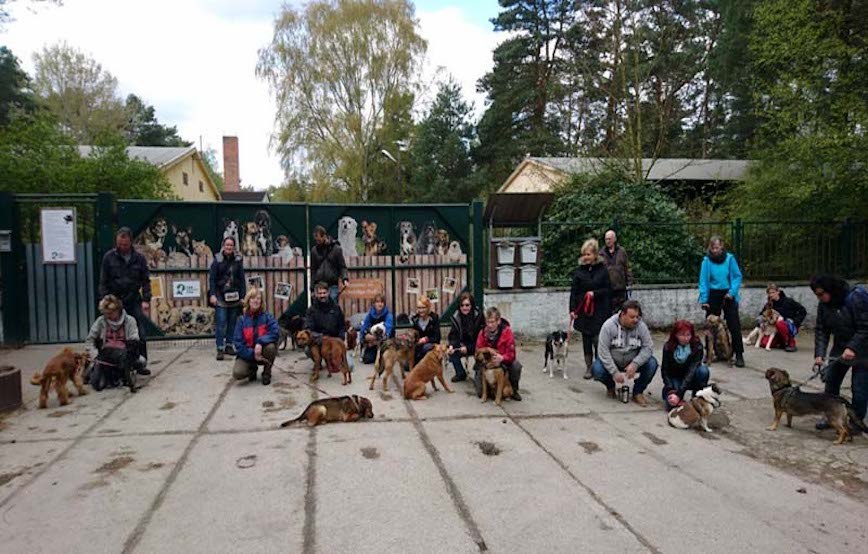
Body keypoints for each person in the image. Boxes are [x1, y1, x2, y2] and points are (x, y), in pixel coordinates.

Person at [811, 275, 868, 431]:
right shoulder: (824, 305)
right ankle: (831, 416)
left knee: (859, 387)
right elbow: (822, 330)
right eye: (817, 295)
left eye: (822, 294)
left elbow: (865, 327)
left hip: (864, 349)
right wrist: (819, 354)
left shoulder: (856, 298)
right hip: (840, 346)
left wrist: (853, 348)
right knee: (831, 382)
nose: (820, 298)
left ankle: (856, 422)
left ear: (831, 289)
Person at [99, 227, 151, 374]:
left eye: (125, 244)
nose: (122, 247)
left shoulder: (139, 259)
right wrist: (104, 299)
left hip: (133, 299)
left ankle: (140, 363)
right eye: (119, 244)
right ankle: (115, 364)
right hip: (115, 302)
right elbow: (103, 281)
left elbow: (146, 280)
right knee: (114, 332)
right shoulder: (109, 257)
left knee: (138, 332)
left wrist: (146, 299)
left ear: (130, 242)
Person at [591, 300, 658, 406]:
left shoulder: (641, 326)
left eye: (637, 317)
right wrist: (614, 372)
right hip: (614, 361)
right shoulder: (608, 326)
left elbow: (648, 347)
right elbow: (603, 351)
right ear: (623, 314)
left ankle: (638, 392)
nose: (636, 320)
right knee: (596, 369)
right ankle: (610, 386)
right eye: (632, 317)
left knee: (652, 364)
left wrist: (635, 363)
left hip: (632, 360)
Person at [698, 236, 745, 367]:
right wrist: (704, 299)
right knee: (709, 326)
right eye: (713, 248)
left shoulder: (730, 259)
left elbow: (737, 276)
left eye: (717, 248)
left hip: (728, 294)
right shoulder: (706, 261)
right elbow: (703, 281)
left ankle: (739, 354)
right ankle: (709, 354)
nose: (715, 250)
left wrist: (732, 292)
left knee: (733, 324)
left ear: (722, 247)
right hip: (713, 294)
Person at [569, 238, 612, 379]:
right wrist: (572, 309)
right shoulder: (578, 271)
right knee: (586, 339)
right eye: (584, 254)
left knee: (598, 340)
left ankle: (600, 367)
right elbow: (574, 291)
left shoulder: (603, 270)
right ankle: (588, 368)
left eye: (588, 254)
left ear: (595, 255)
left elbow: (608, 289)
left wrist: (595, 294)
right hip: (583, 311)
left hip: (600, 311)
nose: (585, 257)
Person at [85, 294, 145, 391]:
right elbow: (89, 340)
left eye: (110, 313)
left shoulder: (130, 321)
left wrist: (130, 352)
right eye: (105, 313)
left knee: (141, 362)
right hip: (105, 355)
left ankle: (123, 375)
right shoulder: (100, 321)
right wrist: (94, 354)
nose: (108, 316)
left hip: (123, 353)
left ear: (118, 310)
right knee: (96, 382)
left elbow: (134, 339)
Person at [209, 237, 246, 361]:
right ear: (223, 246)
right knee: (221, 323)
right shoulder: (217, 260)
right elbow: (212, 279)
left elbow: (242, 280)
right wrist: (212, 295)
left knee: (232, 323)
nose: (229, 247)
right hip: (220, 295)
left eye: (231, 245)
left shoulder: (238, 260)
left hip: (234, 296)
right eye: (227, 245)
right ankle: (220, 347)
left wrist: (242, 296)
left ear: (234, 247)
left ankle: (229, 345)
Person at [232, 288, 279, 386]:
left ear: (261, 302)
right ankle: (252, 369)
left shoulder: (267, 317)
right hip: (248, 354)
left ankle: (267, 373)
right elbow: (238, 344)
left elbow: (275, 332)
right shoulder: (241, 320)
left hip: (263, 352)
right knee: (238, 373)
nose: (256, 301)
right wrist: (253, 354)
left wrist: (260, 342)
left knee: (271, 347)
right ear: (248, 300)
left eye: (258, 298)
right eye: (253, 298)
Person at [304, 281, 354, 372]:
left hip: (334, 342)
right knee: (307, 349)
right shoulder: (311, 310)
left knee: (349, 367)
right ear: (316, 294)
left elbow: (342, 326)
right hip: (319, 342)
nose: (322, 295)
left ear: (328, 293)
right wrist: (321, 338)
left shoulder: (336, 308)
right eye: (320, 293)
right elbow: (308, 329)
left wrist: (341, 341)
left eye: (324, 293)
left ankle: (332, 360)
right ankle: (318, 362)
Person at [474, 307, 522, 401]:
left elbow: (512, 354)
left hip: (503, 362)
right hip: (486, 363)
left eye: (492, 322)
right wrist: (487, 350)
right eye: (488, 322)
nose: (490, 325)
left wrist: (502, 358)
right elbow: (477, 350)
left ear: (498, 321)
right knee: (480, 393)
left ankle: (514, 389)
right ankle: (490, 388)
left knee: (516, 366)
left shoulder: (507, 332)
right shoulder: (482, 333)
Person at [661, 320, 709, 409]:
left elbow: (692, 370)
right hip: (675, 377)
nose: (686, 338)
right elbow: (665, 371)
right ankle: (670, 394)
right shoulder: (668, 347)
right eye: (682, 335)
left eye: (688, 335)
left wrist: (680, 393)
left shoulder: (697, 346)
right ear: (676, 335)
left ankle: (698, 396)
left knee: (703, 371)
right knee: (672, 404)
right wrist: (671, 389)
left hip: (691, 377)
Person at [447, 291, 485, 382]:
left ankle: (479, 372)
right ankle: (460, 373)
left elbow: (482, 336)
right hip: (462, 344)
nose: (464, 308)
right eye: (462, 305)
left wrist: (468, 348)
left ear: (472, 305)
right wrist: (452, 345)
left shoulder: (478, 316)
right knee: (451, 352)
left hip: (477, 344)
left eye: (467, 305)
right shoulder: (456, 317)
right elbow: (453, 335)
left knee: (481, 353)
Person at [762, 283, 807, 352]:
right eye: (769, 293)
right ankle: (781, 341)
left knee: (780, 324)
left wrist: (795, 321)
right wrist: (761, 321)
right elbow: (762, 315)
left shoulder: (788, 301)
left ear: (778, 292)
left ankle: (790, 343)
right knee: (764, 343)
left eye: (773, 292)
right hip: (773, 329)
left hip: (789, 326)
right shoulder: (769, 304)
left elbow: (803, 311)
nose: (771, 295)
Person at [310, 225, 349, 303]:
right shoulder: (314, 250)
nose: (317, 242)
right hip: (319, 284)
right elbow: (313, 270)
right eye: (316, 240)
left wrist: (345, 278)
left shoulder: (336, 249)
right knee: (318, 308)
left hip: (332, 284)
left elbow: (342, 266)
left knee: (332, 307)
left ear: (324, 236)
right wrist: (312, 287)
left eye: (319, 240)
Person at [602, 230, 633, 313]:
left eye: (609, 239)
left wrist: (629, 283)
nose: (608, 241)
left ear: (614, 239)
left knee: (621, 311)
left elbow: (627, 268)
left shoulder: (622, 252)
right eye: (606, 239)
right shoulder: (601, 254)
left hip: (620, 288)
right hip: (607, 288)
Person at [359, 293, 394, 364]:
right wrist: (364, 337)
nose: (380, 304)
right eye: (377, 302)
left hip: (385, 341)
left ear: (384, 304)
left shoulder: (388, 315)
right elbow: (363, 328)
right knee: (367, 359)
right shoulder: (370, 315)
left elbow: (388, 331)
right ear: (374, 304)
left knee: (384, 360)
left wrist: (375, 339)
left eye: (382, 302)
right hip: (372, 341)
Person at [411, 296, 441, 364]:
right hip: (418, 346)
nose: (421, 310)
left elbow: (437, 337)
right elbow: (414, 335)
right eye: (419, 308)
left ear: (428, 308)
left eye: (423, 307)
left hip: (430, 344)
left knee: (426, 347)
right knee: (407, 366)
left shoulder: (434, 318)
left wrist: (426, 339)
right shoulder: (415, 319)